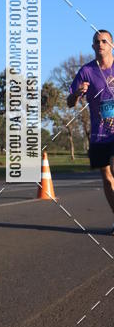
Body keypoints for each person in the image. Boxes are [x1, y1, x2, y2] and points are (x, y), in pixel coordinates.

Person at [68, 30, 114, 226]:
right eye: (97, 41)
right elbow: (70, 102)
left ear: (111, 45)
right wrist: (77, 93)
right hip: (99, 133)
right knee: (107, 176)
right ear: (93, 46)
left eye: (105, 41)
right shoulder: (86, 71)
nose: (101, 44)